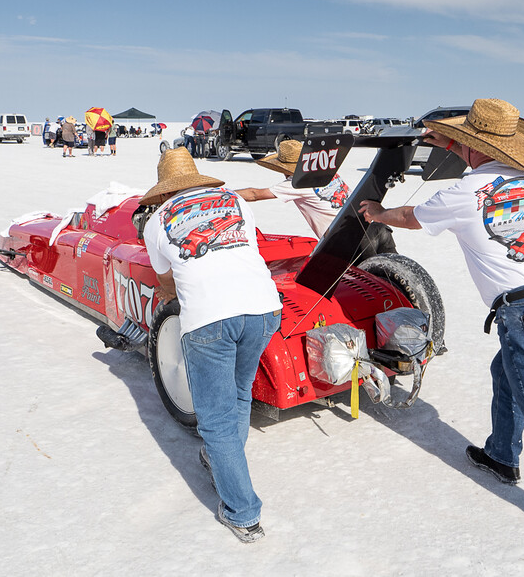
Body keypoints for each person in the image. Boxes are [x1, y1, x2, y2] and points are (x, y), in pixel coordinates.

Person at [359, 98, 524, 483]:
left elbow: (409, 217)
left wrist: (377, 212)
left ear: (474, 145)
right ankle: (501, 455)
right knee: (505, 370)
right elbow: (484, 159)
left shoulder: (466, 192)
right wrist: (453, 143)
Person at [140, 147, 282, 543]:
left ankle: (242, 513)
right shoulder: (233, 200)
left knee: (216, 420)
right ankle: (220, 461)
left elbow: (167, 283)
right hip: (264, 309)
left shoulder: (157, 222)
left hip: (209, 318)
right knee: (238, 397)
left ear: (163, 190)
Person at [236, 139, 396, 257]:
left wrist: (223, 192)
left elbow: (255, 194)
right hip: (376, 230)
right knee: (400, 280)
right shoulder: (327, 172)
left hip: (349, 242)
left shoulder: (296, 184)